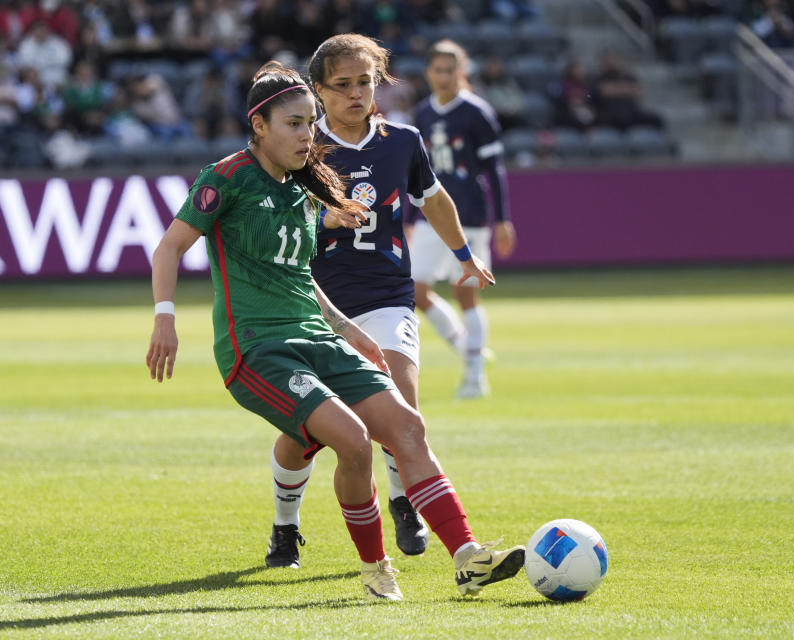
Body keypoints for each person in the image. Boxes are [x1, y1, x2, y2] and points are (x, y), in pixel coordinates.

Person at [146, 61, 524, 600]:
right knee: (351, 439)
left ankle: (469, 557)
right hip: (257, 349)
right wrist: (165, 318)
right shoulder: (225, 178)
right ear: (260, 125)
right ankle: (376, 570)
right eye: (295, 124)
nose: (308, 135)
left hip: (317, 336)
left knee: (407, 425)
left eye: (309, 123)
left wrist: (347, 328)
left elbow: (299, 274)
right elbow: (169, 247)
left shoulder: (304, 187)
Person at [259, 34, 524, 595]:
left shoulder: (402, 141)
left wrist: (464, 255)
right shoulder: (298, 146)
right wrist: (326, 223)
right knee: (303, 436)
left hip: (385, 294)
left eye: (366, 83)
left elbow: (435, 200)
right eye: (343, 85)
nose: (357, 94)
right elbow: (273, 227)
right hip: (314, 303)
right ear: (318, 92)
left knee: (402, 405)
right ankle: (285, 525)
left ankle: (407, 503)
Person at [411, 39, 517, 399]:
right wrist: (411, 216)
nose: (443, 76)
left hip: (468, 213)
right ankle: (468, 350)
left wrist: (502, 219)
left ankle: (475, 378)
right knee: (414, 289)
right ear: (428, 73)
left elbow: (494, 169)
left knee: (465, 292)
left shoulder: (476, 112)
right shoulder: (423, 113)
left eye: (450, 70)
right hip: (429, 215)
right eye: (437, 70)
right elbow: (416, 173)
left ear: (462, 72)